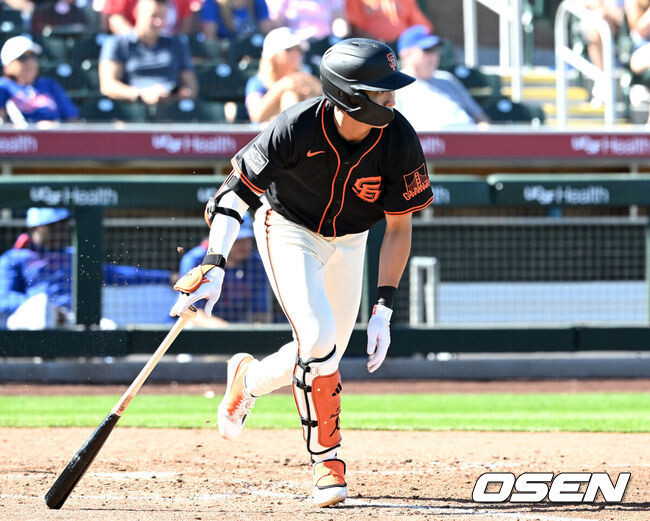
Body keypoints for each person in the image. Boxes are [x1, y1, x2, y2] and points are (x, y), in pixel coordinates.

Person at [170, 38, 433, 507]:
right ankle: (327, 464)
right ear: (349, 95)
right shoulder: (296, 126)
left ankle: (248, 379)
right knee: (317, 338)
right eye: (381, 91)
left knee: (322, 350)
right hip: (288, 228)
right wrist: (215, 261)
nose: (392, 100)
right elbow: (233, 193)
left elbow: (398, 227)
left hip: (352, 239)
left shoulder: (399, 138)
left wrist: (384, 307)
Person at [0, 208, 174, 329]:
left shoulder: (73, 256)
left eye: (64, 226)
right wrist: (48, 309)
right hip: (30, 322)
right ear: (35, 228)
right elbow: (4, 300)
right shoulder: (14, 258)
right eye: (53, 227)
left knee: (109, 329)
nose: (61, 231)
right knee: (41, 313)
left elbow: (117, 274)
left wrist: (167, 277)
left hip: (71, 320)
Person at [99, 0, 198, 106]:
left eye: (163, 17)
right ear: (137, 12)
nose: (158, 22)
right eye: (153, 16)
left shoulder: (177, 44)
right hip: (133, 109)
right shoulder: (116, 43)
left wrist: (174, 94)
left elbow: (191, 86)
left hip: (170, 109)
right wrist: (141, 94)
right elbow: (108, 86)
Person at [178, 213, 270, 326]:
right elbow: (190, 313)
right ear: (220, 239)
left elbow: (261, 314)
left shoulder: (257, 263)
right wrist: (229, 331)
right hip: (198, 327)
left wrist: (253, 330)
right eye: (236, 240)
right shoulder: (196, 260)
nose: (244, 245)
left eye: (246, 239)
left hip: (239, 326)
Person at [394, 25, 489, 130]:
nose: (434, 56)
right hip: (427, 139)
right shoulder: (395, 86)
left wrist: (484, 132)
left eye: (436, 49)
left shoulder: (447, 79)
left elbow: (480, 117)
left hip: (469, 136)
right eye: (427, 50)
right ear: (406, 54)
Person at [245, 26, 321, 124]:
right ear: (273, 54)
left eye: (298, 49)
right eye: (289, 49)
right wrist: (283, 86)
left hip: (297, 131)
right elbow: (256, 116)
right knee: (289, 95)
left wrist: (310, 88)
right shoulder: (256, 82)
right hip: (264, 132)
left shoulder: (304, 78)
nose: (295, 53)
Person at [0, 35, 79, 126]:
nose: (30, 62)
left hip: (54, 133)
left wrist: (55, 126)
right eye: (22, 58)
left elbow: (73, 119)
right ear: (7, 65)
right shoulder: (3, 86)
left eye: (33, 56)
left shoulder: (49, 84)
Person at [345, 0, 433, 43]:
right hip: (372, 47)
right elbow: (354, 27)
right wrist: (375, 43)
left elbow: (422, 26)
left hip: (401, 46)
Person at [102, 0, 197, 35]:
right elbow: (115, 18)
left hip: (169, 52)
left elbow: (185, 24)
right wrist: (136, 39)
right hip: (134, 50)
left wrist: (170, 45)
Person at [265, 0, 348, 40]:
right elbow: (277, 21)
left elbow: (338, 19)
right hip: (293, 41)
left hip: (322, 41)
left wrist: (342, 38)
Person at [200, 0, 273, 40]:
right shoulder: (212, 3)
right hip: (226, 54)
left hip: (253, 51)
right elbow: (210, 39)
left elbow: (266, 33)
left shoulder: (258, 2)